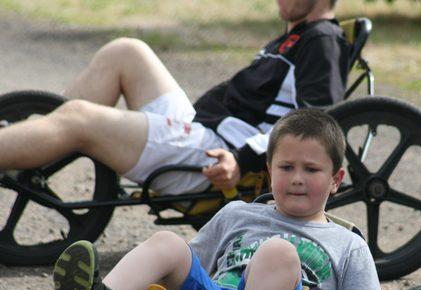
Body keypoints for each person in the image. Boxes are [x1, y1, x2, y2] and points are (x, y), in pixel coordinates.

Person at [52, 109, 386, 290]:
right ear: (269, 170)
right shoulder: (239, 213)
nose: (297, 179)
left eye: (311, 170)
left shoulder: (348, 243)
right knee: (169, 242)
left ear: (336, 180)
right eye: (286, 167)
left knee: (279, 253)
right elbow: (187, 264)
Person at [0, 0, 350, 195]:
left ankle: (33, 144)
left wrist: (242, 161)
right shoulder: (297, 36)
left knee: (79, 116)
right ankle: (33, 151)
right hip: (205, 129)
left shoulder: (321, 42)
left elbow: (314, 126)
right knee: (127, 51)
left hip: (218, 152)